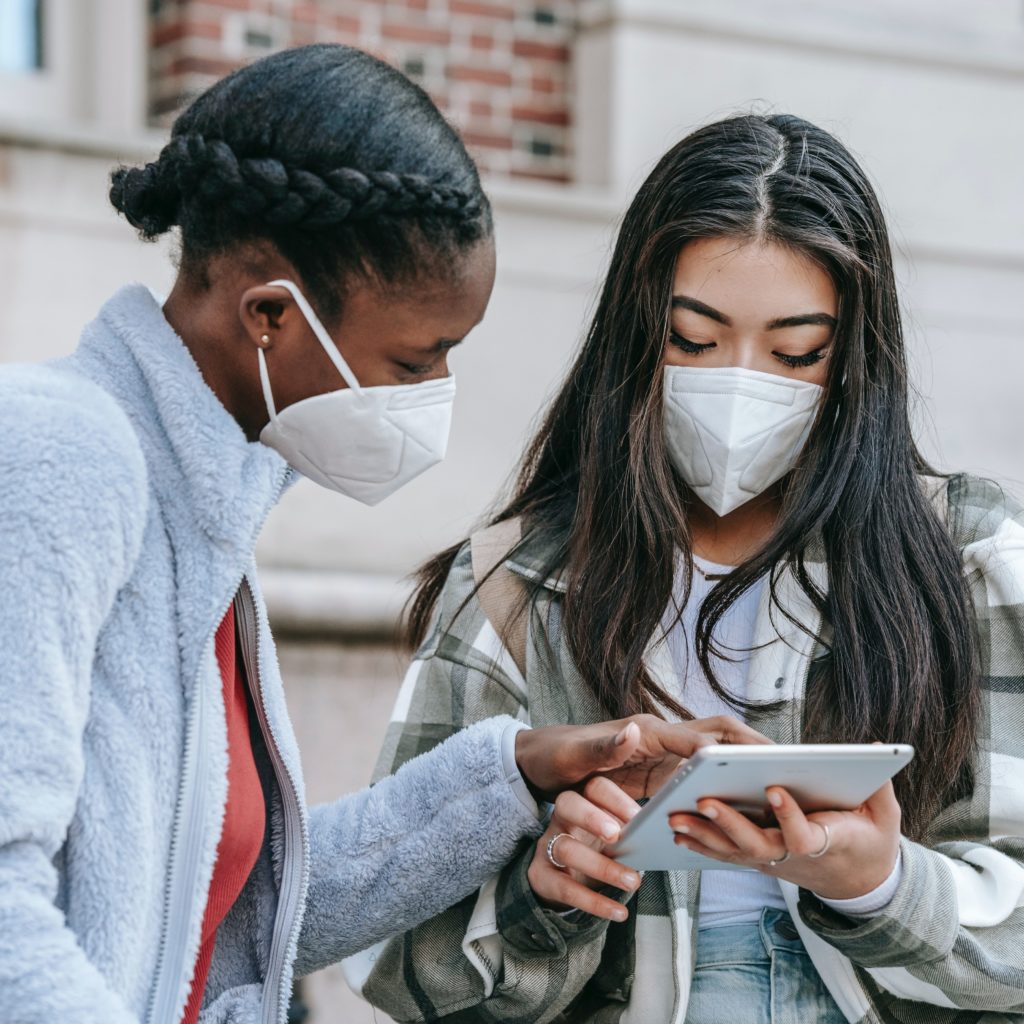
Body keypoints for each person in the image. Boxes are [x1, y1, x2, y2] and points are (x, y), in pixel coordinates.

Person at [0, 45, 762, 1024]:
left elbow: (239, 908)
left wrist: (523, 767)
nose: (431, 398)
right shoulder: (64, 452)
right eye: (414, 359)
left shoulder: (201, 517)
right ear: (272, 314)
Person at [352, 113, 1024, 1023]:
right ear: (633, 334)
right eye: (694, 341)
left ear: (855, 357)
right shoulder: (515, 586)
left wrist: (882, 884)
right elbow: (395, 962)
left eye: (797, 353)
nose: (742, 385)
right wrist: (545, 897)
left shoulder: (966, 559)